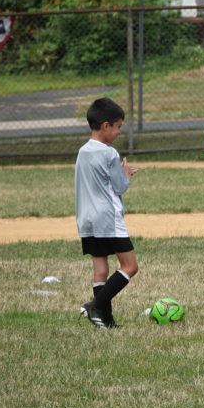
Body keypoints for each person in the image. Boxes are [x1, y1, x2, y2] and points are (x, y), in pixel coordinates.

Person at [75, 97, 139, 329]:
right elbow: (119, 186)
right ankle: (95, 305)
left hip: (87, 219)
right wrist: (126, 174)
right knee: (130, 266)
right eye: (118, 126)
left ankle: (106, 320)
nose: (119, 132)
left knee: (100, 269)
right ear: (106, 125)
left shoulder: (82, 151)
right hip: (107, 218)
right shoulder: (109, 153)